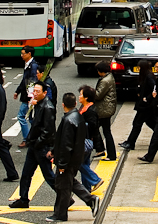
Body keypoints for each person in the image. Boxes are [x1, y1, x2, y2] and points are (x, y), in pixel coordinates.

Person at [46, 93, 100, 222]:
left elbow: (66, 144)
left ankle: (60, 214)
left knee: (63, 187)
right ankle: (90, 200)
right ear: (75, 104)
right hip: (76, 158)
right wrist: (54, 152)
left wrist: (62, 164)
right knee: (69, 182)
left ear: (63, 104)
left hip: (68, 160)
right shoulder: (78, 117)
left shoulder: (68, 120)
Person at [9, 82, 56, 209]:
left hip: (41, 147)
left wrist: (38, 143)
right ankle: (23, 199)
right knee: (26, 174)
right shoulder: (38, 104)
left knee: (49, 176)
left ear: (45, 93)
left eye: (37, 91)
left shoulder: (48, 107)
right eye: (33, 91)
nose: (34, 93)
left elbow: (48, 131)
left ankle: (65, 198)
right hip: (34, 145)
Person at [119, 59, 156, 150]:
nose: (138, 68)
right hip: (144, 105)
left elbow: (154, 89)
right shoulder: (145, 76)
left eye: (139, 67)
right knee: (151, 123)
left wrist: (147, 98)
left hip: (145, 106)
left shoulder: (149, 77)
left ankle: (131, 143)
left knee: (137, 124)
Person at [78, 85, 104, 193]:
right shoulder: (84, 108)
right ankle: (87, 188)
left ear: (86, 97)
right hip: (85, 140)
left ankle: (95, 179)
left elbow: (93, 126)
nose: (79, 97)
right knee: (84, 163)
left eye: (81, 94)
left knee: (77, 163)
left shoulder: (91, 111)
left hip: (85, 141)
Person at [14, 46, 39, 148]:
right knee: (32, 118)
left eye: (23, 53)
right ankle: (34, 138)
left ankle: (27, 139)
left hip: (29, 97)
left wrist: (31, 96)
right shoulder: (28, 64)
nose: (21, 55)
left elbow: (32, 82)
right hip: (28, 95)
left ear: (29, 54)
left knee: (21, 116)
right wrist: (18, 91)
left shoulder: (33, 66)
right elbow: (25, 80)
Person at [93, 61, 117, 161]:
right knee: (95, 128)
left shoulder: (105, 81)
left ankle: (111, 155)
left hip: (104, 109)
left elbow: (98, 95)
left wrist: (90, 92)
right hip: (106, 108)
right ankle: (100, 149)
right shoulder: (109, 77)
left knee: (105, 131)